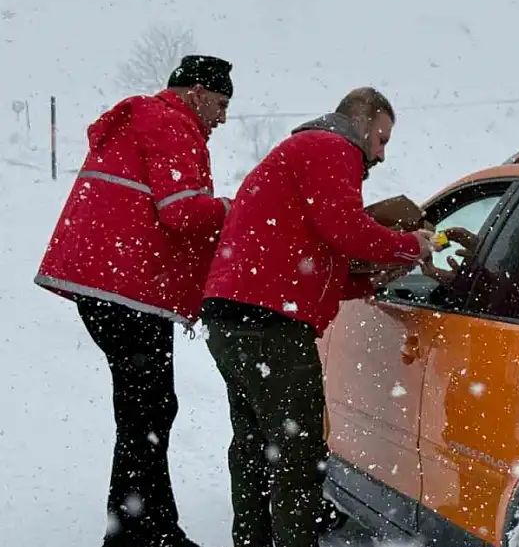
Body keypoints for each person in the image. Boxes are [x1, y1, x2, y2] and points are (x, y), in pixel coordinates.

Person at [199, 87, 438, 547]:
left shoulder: (301, 153)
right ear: (362, 123)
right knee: (298, 454)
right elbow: (344, 228)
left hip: (232, 316)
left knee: (255, 447)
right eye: (382, 140)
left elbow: (318, 258)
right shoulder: (333, 148)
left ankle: (252, 539)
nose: (381, 155)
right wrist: (413, 245)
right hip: (269, 323)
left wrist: (371, 283)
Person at [33, 55, 235, 547]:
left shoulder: (149, 119)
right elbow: (182, 213)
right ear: (195, 93)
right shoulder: (170, 123)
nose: (224, 118)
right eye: (221, 103)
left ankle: (146, 526)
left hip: (113, 287)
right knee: (147, 410)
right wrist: (234, 208)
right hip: (126, 290)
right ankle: (138, 531)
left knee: (147, 408)